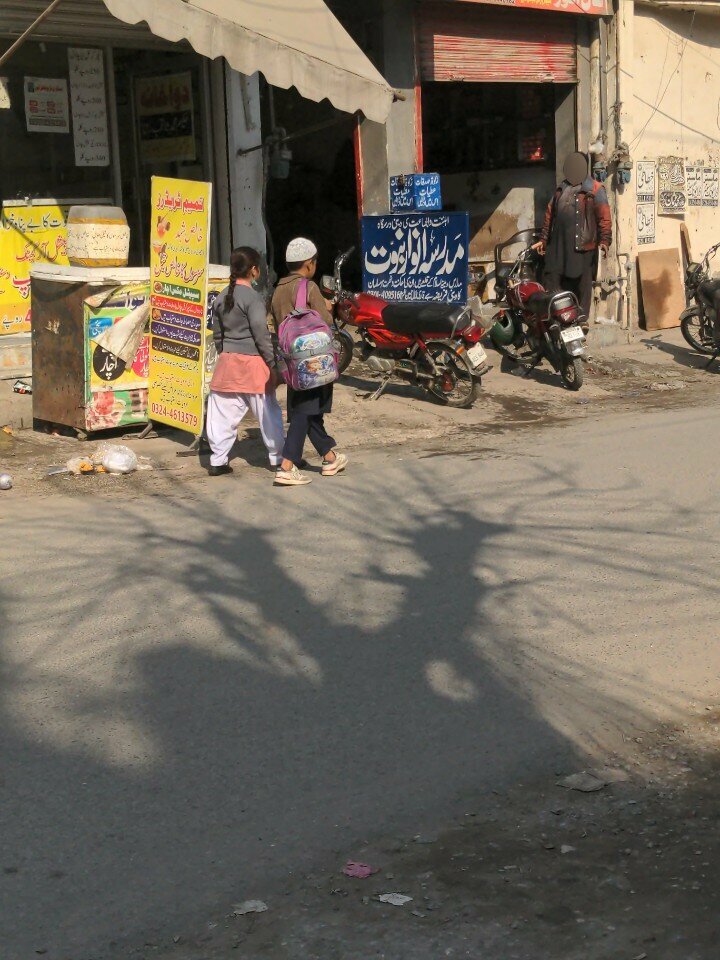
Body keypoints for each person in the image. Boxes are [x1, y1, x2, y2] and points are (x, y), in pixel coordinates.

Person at [270, 237, 348, 487]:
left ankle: (329, 457)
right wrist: (327, 307)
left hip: (292, 361)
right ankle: (287, 465)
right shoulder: (308, 287)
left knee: (307, 410)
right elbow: (324, 322)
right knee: (305, 412)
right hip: (314, 361)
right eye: (314, 262)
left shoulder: (277, 290)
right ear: (308, 264)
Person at [206, 246, 285, 477]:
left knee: (221, 416)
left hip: (227, 365)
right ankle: (279, 458)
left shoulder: (221, 297)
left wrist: (227, 354)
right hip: (253, 366)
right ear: (254, 270)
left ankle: (218, 461)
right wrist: (272, 363)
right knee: (268, 414)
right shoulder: (253, 298)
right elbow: (261, 334)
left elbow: (217, 334)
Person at [532, 152, 612, 321]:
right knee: (553, 279)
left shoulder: (596, 189)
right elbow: (549, 216)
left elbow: (604, 216)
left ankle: (581, 321)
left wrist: (604, 240)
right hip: (558, 246)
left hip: (583, 247)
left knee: (582, 285)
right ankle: (557, 318)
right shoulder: (561, 189)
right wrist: (543, 239)